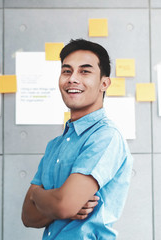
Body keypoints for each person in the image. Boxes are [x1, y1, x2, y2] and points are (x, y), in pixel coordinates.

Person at [21, 39, 133, 239]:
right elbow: (28, 217)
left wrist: (36, 195)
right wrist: (57, 205)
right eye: (66, 71)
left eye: (84, 71)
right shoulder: (55, 145)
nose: (72, 79)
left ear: (104, 83)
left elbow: (63, 205)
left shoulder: (105, 137)